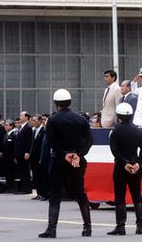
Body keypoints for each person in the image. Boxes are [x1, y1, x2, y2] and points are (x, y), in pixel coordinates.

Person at [39, 89, 93, 238]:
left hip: (58, 161)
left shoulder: (53, 120)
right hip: (77, 161)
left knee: (55, 195)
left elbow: (51, 141)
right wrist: (78, 154)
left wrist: (64, 154)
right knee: (81, 193)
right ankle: (87, 228)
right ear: (70, 102)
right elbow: (89, 141)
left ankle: (52, 229)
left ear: (56, 103)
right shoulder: (81, 120)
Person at [107, 103, 142, 236]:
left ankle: (120, 226)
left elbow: (115, 151)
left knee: (120, 196)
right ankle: (140, 226)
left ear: (119, 117)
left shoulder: (115, 131)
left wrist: (124, 163)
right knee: (137, 194)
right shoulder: (137, 130)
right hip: (135, 166)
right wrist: (138, 163)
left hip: (121, 167)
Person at [14, 111, 33, 194]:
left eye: (21, 115)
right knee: (21, 171)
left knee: (25, 172)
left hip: (24, 153)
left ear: (26, 117)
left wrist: (27, 152)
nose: (20, 117)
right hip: (19, 153)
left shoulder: (28, 127)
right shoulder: (21, 127)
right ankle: (23, 188)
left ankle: (27, 189)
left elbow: (29, 141)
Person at [30, 115, 45, 200]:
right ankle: (39, 193)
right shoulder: (34, 131)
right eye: (32, 120)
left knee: (41, 176)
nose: (33, 122)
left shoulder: (43, 131)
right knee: (36, 176)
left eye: (35, 120)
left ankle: (44, 193)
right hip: (33, 157)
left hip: (40, 157)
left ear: (40, 121)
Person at [1, 119, 17, 192]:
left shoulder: (14, 135)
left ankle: (13, 187)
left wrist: (15, 157)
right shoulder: (5, 135)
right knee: (7, 173)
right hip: (5, 157)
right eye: (5, 125)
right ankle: (9, 187)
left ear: (12, 126)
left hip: (11, 158)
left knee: (12, 173)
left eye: (7, 125)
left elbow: (14, 147)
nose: (5, 127)